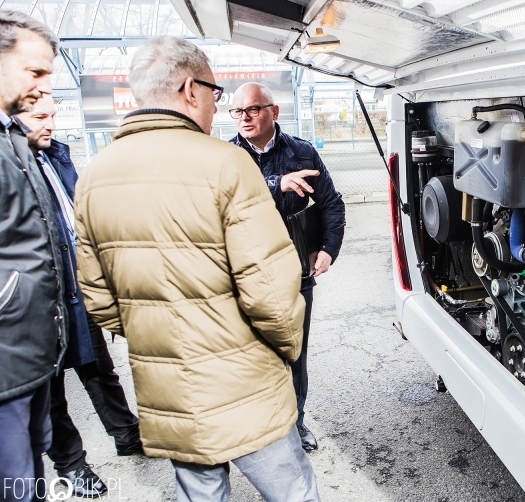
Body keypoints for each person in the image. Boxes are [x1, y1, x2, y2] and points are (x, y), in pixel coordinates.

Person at [73, 36, 319, 502]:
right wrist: (286, 350)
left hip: (171, 394)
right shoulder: (227, 163)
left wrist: (158, 334)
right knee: (294, 494)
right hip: (246, 386)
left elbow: (100, 300)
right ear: (190, 89)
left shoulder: (95, 175)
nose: (215, 105)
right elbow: (271, 290)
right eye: (214, 93)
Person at [16, 96, 143, 499]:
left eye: (53, 115)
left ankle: (127, 435)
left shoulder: (53, 158)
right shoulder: (13, 166)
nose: (50, 124)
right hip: (37, 300)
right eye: (40, 117)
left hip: (76, 287)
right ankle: (71, 465)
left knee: (98, 368)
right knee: (51, 389)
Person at [229, 83, 346, 452]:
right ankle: (258, 425)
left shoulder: (302, 152)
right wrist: (278, 183)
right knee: (251, 353)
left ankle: (295, 423)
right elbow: (228, 199)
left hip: (295, 271)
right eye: (237, 112)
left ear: (274, 112)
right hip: (245, 273)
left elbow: (332, 205)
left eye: (252, 110)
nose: (244, 118)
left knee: (294, 351)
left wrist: (328, 249)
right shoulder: (225, 157)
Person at [0, 10, 67, 502]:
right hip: (7, 354)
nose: (45, 84)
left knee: (29, 468)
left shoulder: (11, 138)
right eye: (35, 71)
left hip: (29, 347)